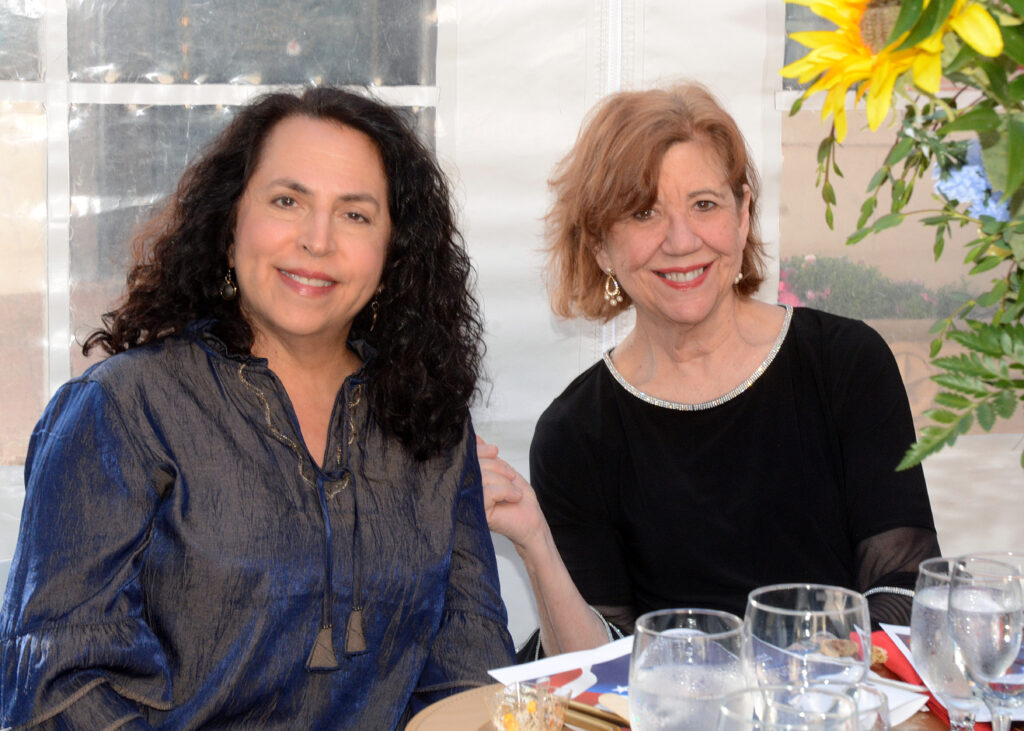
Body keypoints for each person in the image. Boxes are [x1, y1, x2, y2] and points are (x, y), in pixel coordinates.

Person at [1, 87, 513, 729]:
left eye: (355, 215)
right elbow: (60, 693)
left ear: (394, 251)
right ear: (230, 221)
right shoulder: (124, 408)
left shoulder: (428, 417)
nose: (317, 240)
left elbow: (469, 674)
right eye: (287, 201)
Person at [480, 82, 939, 659]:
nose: (680, 240)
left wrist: (795, 689)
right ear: (599, 245)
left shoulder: (847, 363)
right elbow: (601, 667)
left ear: (743, 213)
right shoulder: (575, 433)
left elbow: (904, 591)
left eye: (705, 205)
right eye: (643, 212)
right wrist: (535, 544)